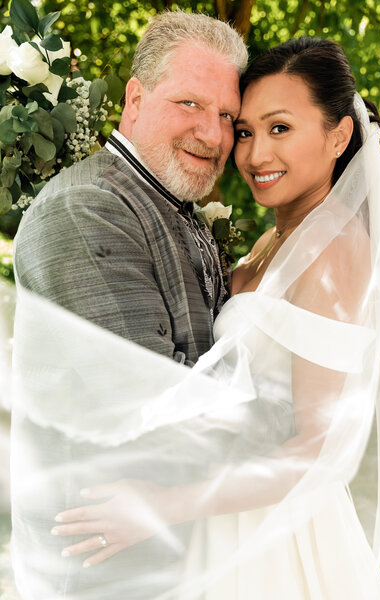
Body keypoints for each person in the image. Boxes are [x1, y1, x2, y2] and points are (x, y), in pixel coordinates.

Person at [41, 37, 380, 598]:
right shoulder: (272, 240)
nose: (255, 155)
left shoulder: (339, 252)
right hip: (222, 513)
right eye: (247, 130)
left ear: (338, 136)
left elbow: (315, 449)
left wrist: (159, 505)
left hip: (274, 536)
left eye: (280, 128)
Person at [10, 10, 247, 600]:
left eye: (226, 116)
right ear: (135, 100)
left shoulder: (165, 203)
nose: (213, 135)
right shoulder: (87, 207)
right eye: (189, 104)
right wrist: (293, 428)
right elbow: (156, 411)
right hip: (101, 569)